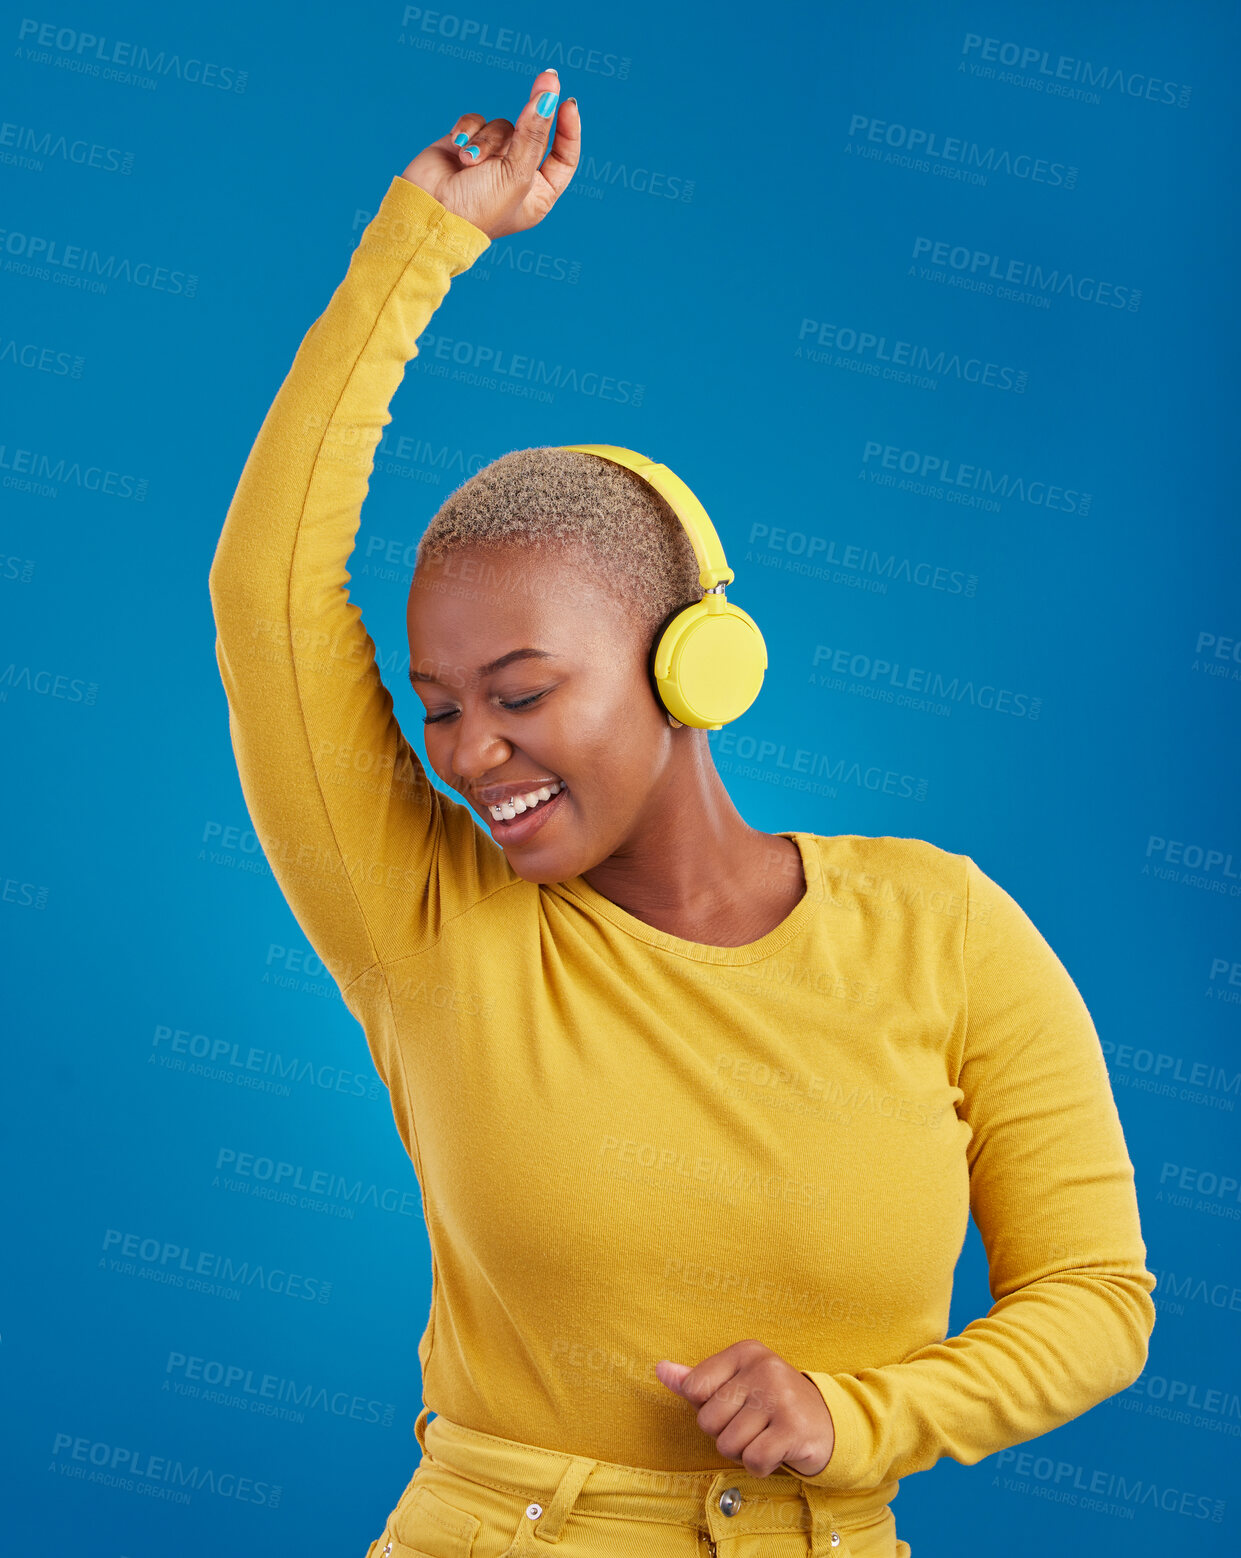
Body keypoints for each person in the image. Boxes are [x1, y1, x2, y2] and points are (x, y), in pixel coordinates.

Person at [208, 67, 1156, 1558]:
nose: (470, 749)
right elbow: (264, 594)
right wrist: (425, 243)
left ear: (688, 666)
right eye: (441, 700)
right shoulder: (429, 917)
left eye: (522, 691)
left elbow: (1099, 1300)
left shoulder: (946, 928)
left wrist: (861, 1420)